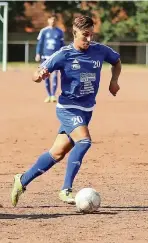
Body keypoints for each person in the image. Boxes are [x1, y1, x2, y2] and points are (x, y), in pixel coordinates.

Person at [11, 16, 122, 206]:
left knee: (57, 153)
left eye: (91, 35)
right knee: (84, 141)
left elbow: (117, 61)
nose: (88, 39)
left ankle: (21, 180)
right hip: (68, 108)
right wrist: (40, 75)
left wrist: (113, 81)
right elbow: (36, 74)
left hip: (86, 110)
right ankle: (65, 189)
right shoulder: (64, 54)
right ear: (75, 33)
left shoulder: (99, 50)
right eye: (85, 35)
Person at [35, 15, 65, 103]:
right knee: (45, 76)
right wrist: (38, 53)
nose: (52, 21)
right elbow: (40, 44)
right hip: (45, 57)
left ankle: (53, 95)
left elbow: (62, 44)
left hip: (55, 57)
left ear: (56, 21)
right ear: (48, 20)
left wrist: (63, 55)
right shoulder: (44, 31)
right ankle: (48, 95)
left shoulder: (59, 32)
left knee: (55, 76)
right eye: (51, 20)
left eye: (54, 20)